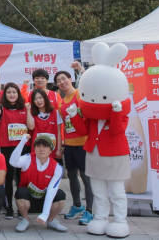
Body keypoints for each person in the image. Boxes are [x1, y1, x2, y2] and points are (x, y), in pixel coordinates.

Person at [55, 70, 93, 225]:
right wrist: (61, 145)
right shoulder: (61, 103)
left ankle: (90, 210)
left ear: (70, 79)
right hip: (69, 145)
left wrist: (81, 70)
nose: (62, 82)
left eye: (64, 79)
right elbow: (61, 127)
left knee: (86, 177)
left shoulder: (79, 94)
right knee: (71, 176)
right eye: (58, 80)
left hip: (83, 143)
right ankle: (77, 205)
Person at [10, 133, 67, 233]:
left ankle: (51, 220)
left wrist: (44, 214)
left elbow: (51, 191)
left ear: (50, 150)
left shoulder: (57, 167)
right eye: (38, 146)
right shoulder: (28, 158)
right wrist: (22, 141)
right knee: (20, 192)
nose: (41, 149)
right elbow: (13, 162)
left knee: (61, 196)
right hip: (28, 200)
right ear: (34, 148)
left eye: (45, 146)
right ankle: (25, 219)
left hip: (45, 200)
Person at [0, 82, 33, 219]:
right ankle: (9, 207)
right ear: (5, 95)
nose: (11, 94)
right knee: (9, 178)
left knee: (22, 179)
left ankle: (22, 208)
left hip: (23, 148)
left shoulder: (24, 108)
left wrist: (28, 110)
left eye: (14, 92)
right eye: (9, 92)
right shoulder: (3, 108)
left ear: (18, 94)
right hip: (6, 147)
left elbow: (30, 126)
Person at [27, 89, 62, 158]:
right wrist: (28, 110)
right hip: (37, 151)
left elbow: (59, 133)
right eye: (35, 99)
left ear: (45, 98)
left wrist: (59, 149)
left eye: (40, 98)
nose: (39, 101)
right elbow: (31, 127)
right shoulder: (32, 114)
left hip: (52, 149)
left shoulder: (56, 112)